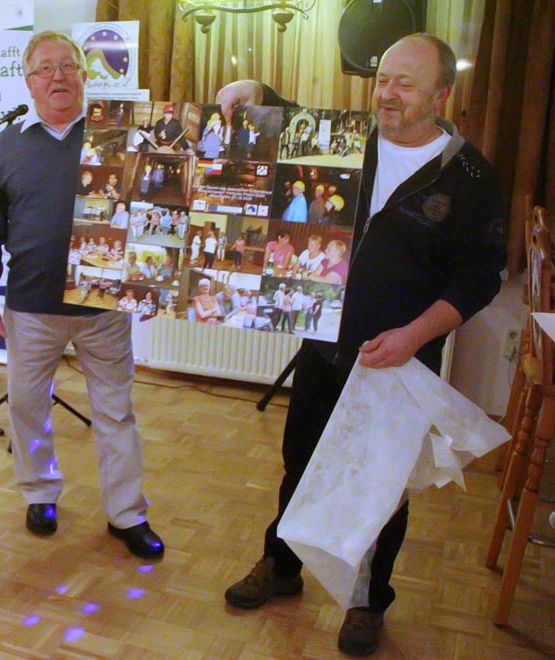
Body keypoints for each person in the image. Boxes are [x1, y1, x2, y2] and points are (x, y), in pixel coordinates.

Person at [217, 34, 506, 657]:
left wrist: (414, 336)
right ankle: (282, 565)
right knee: (300, 462)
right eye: (383, 81)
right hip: (325, 344)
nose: (388, 94)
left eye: (406, 83)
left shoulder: (472, 177)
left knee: (382, 484)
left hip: (400, 359)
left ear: (442, 94)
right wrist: (253, 90)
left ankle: (368, 601)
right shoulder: (350, 141)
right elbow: (292, 118)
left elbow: (479, 279)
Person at [0, 31, 164, 560]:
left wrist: (154, 283)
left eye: (68, 65)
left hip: (103, 308)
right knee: (27, 407)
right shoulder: (5, 146)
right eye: (45, 68)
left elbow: (160, 211)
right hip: (30, 309)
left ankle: (127, 514)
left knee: (116, 413)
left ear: (83, 74)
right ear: (29, 82)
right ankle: (40, 493)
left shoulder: (119, 136)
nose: (57, 75)